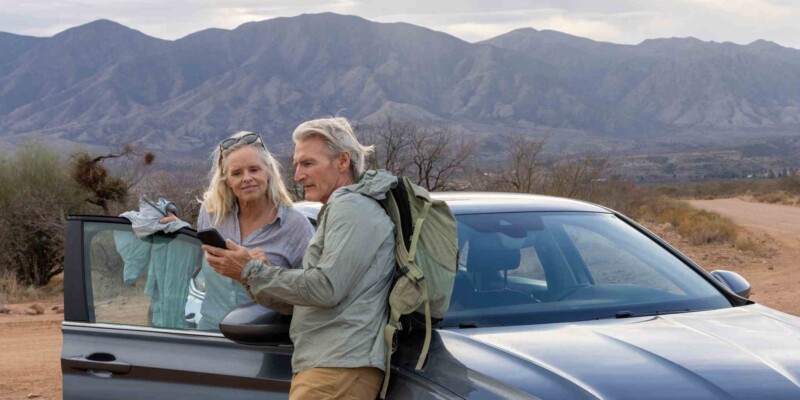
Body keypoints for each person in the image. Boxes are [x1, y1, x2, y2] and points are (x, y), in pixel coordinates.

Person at [204, 117, 396, 399]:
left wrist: (252, 271)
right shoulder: (342, 208)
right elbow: (304, 300)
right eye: (296, 165)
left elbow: (325, 288)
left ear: (343, 161)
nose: (297, 176)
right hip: (328, 367)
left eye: (307, 164)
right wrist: (248, 274)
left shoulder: (351, 209)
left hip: (335, 368)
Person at [162, 131, 314, 330]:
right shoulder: (211, 214)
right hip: (210, 336)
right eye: (237, 173)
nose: (247, 178)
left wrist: (264, 272)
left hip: (266, 340)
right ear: (226, 180)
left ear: (268, 171)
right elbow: (198, 259)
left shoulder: (296, 226)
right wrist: (178, 230)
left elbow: (310, 297)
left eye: (254, 169)